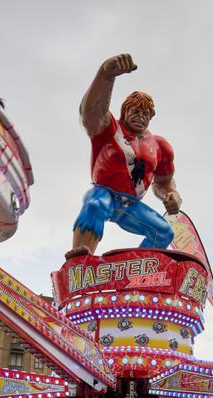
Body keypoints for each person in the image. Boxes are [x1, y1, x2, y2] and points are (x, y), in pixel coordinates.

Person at [67, 53, 182, 259]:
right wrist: (105, 76)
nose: (141, 117)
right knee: (95, 205)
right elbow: (90, 111)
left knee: (164, 232)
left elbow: (164, 182)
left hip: (132, 204)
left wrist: (172, 196)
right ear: (125, 111)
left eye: (146, 114)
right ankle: (81, 257)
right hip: (104, 194)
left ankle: (136, 270)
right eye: (136, 112)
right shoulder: (109, 127)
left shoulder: (160, 146)